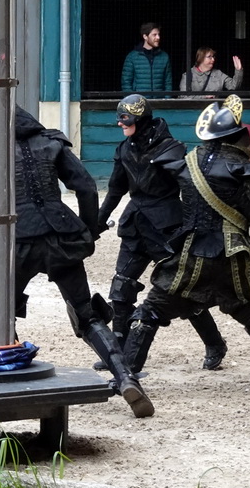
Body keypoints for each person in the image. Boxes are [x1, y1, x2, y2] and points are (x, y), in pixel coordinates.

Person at [121, 95, 250, 392]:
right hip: (232, 262)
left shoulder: (187, 164)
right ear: (237, 135)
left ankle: (126, 379)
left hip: (190, 260)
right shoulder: (247, 173)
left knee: (148, 313)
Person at [13, 106, 154, 418]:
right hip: (62, 235)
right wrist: (88, 230)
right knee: (87, 316)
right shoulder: (51, 142)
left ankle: (7, 381)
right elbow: (87, 187)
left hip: (18, 238)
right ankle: (125, 378)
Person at [96, 94, 227, 371]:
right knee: (122, 286)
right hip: (134, 224)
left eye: (125, 119)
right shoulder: (124, 149)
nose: (120, 124)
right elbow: (116, 189)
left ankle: (214, 342)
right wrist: (97, 221)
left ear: (140, 119)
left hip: (167, 227)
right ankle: (118, 353)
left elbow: (191, 190)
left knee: (183, 290)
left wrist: (197, 224)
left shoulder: (171, 149)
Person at [121, 22, 172, 94]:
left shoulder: (164, 57)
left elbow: (168, 83)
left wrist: (166, 100)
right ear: (145, 36)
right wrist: (133, 101)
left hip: (159, 102)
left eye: (158, 34)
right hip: (139, 102)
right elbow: (126, 83)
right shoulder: (132, 57)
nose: (158, 37)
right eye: (154, 35)